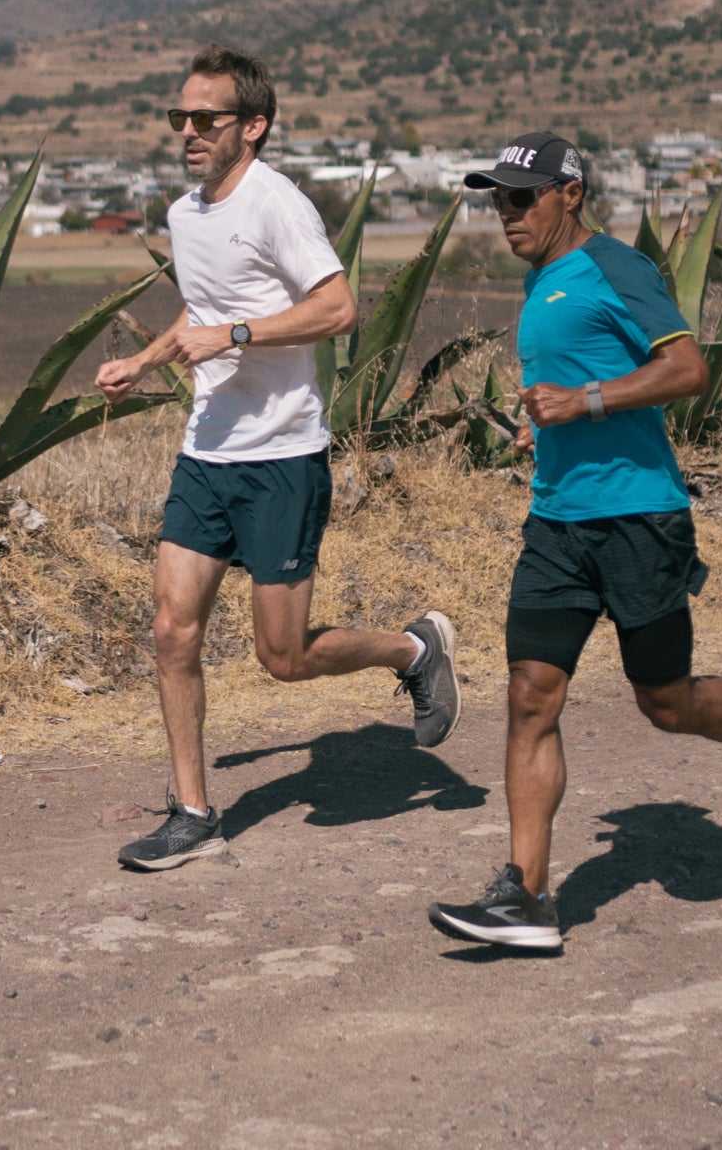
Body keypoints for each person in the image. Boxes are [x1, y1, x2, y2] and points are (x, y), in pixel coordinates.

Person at [428, 130, 722, 952]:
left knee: (665, 702)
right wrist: (546, 430)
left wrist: (586, 405)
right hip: (555, 527)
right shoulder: (541, 281)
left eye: (519, 198)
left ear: (569, 194)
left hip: (640, 522)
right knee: (529, 694)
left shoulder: (615, 268)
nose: (504, 214)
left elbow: (687, 370)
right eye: (496, 200)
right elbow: (571, 391)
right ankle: (527, 897)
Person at [96, 44, 459, 872]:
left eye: (205, 118)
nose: (187, 131)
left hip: (282, 457)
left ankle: (413, 651)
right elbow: (205, 304)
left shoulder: (276, 204)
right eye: (178, 117)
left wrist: (232, 335)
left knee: (282, 658)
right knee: (170, 631)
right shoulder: (187, 213)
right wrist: (147, 361)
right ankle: (192, 813)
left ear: (251, 126)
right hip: (206, 452)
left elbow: (337, 308)